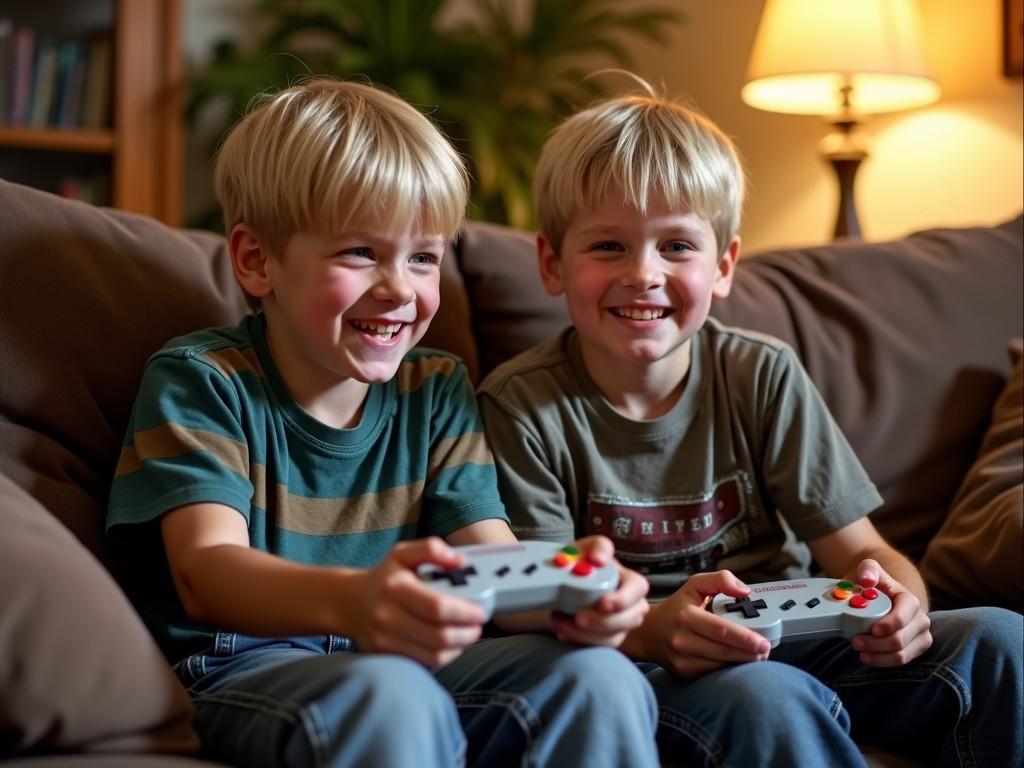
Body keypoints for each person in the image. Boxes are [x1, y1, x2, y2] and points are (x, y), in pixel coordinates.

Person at [106, 78, 659, 768]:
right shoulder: (203, 380)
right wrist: (354, 599)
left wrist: (569, 594)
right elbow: (206, 572)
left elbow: (491, 558)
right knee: (391, 693)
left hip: (403, 664)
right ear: (257, 260)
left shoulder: (436, 388)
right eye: (360, 252)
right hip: (241, 671)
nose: (400, 289)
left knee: (596, 674)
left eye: (423, 257)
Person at [477, 77, 1024, 768]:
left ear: (724, 265)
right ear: (552, 264)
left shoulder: (762, 374)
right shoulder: (521, 404)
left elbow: (863, 550)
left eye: (676, 247)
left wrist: (903, 604)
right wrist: (649, 629)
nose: (644, 273)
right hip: (643, 659)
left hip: (796, 632)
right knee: (768, 695)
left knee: (1001, 640)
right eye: (609, 246)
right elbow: (538, 604)